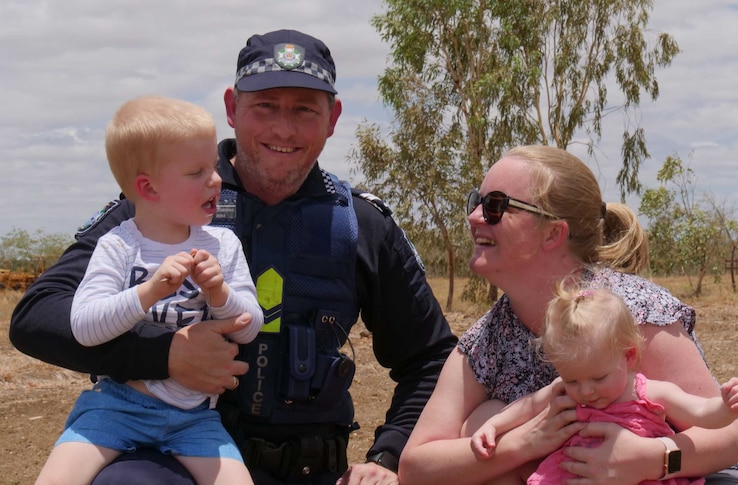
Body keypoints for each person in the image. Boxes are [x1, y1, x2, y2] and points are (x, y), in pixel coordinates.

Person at [10, 29, 456, 485]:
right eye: (265, 106)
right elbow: (36, 317)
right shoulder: (163, 203)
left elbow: (431, 358)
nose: (284, 128)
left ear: (333, 116)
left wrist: (388, 456)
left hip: (311, 471)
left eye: (304, 108)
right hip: (170, 460)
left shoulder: (360, 223)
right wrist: (162, 357)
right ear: (232, 108)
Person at [399, 145, 738, 485]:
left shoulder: (628, 313)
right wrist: (520, 444)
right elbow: (416, 467)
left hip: (711, 477)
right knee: (481, 424)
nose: (475, 217)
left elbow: (729, 441)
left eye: (497, 205)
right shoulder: (486, 340)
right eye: (476, 201)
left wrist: (652, 459)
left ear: (553, 234)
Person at [34, 95, 264, 485]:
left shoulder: (223, 246)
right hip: (116, 407)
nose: (216, 180)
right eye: (197, 172)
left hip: (195, 419)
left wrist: (220, 294)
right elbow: (85, 327)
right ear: (149, 187)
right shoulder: (117, 245)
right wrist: (150, 290)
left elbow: (250, 327)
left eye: (214, 167)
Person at [470, 284, 738, 485]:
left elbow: (701, 412)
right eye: (573, 380)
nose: (586, 391)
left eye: (599, 378)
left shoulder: (648, 392)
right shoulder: (564, 392)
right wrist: (494, 426)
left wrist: (725, 406)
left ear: (629, 356)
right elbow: (527, 408)